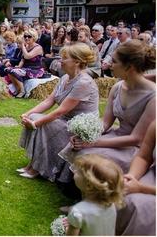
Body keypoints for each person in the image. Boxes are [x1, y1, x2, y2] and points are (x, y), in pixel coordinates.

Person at [66, 40, 156, 174]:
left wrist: (93, 143)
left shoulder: (153, 97)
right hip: (116, 135)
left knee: (92, 155)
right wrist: (85, 135)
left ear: (129, 67)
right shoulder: (117, 87)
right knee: (79, 146)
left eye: (114, 62)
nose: (109, 65)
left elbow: (136, 138)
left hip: (135, 148)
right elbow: (106, 122)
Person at [18, 42, 99, 181]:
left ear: (77, 62)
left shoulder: (84, 82)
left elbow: (60, 111)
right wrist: (27, 113)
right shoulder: (65, 78)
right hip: (65, 120)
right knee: (33, 116)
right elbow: (49, 101)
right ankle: (33, 164)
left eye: (64, 58)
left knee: (42, 123)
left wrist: (35, 123)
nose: (60, 61)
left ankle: (39, 168)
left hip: (77, 127)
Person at [65, 154, 124, 236]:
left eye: (79, 172)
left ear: (89, 185)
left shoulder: (78, 212)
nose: (74, 171)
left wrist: (67, 228)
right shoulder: (110, 204)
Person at [116, 121, 156, 235]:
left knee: (142, 206)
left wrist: (141, 188)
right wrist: (130, 177)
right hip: (154, 175)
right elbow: (143, 157)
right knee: (122, 192)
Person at [2, 28, 44, 98]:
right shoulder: (27, 46)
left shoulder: (38, 47)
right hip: (25, 68)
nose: (26, 38)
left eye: (29, 36)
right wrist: (18, 66)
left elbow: (27, 56)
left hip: (35, 69)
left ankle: (22, 91)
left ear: (34, 37)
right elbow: (23, 59)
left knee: (13, 71)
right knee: (8, 69)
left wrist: (22, 46)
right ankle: (18, 89)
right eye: (25, 36)